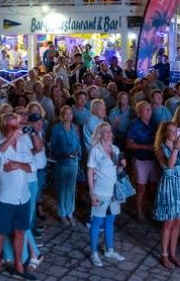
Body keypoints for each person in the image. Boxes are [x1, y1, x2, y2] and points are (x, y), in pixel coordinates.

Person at [0, 112, 37, 281]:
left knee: (20, 232)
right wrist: (13, 136)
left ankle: (19, 266)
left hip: (23, 196)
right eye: (13, 126)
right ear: (4, 128)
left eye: (19, 125)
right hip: (4, 198)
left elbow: (33, 166)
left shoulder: (24, 143)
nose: (18, 129)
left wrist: (18, 165)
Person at [152, 121, 180, 270]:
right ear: (165, 133)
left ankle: (173, 254)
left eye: (175, 130)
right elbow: (169, 166)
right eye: (171, 131)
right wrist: (176, 148)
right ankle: (164, 255)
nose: (174, 133)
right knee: (168, 223)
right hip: (169, 186)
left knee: (178, 222)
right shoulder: (161, 148)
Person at [86, 123, 126, 267]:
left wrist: (122, 165)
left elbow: (117, 170)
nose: (109, 134)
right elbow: (90, 172)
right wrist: (92, 193)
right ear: (100, 134)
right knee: (97, 221)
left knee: (110, 220)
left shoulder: (115, 149)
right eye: (105, 131)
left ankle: (110, 250)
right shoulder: (95, 150)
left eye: (110, 131)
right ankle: (93, 252)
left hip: (113, 191)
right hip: (100, 191)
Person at [126, 101, 159, 220]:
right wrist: (146, 147)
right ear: (139, 113)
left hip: (154, 160)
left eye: (150, 109)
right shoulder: (134, 125)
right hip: (141, 159)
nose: (149, 112)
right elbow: (128, 144)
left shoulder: (154, 123)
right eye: (146, 110)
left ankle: (153, 209)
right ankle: (139, 212)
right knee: (141, 188)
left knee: (154, 187)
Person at [50, 105, 81, 225]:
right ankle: (62, 213)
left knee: (71, 189)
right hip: (61, 162)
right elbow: (53, 146)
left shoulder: (75, 127)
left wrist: (77, 152)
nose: (69, 116)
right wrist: (62, 154)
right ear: (62, 116)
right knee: (62, 188)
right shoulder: (56, 128)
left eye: (70, 114)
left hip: (73, 162)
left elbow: (78, 143)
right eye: (66, 114)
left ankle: (70, 213)